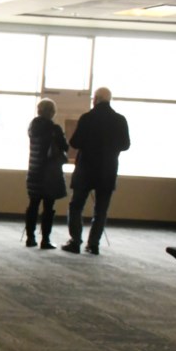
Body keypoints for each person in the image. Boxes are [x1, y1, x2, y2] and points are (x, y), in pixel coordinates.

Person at [62, 87, 130, 255]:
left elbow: (75, 143)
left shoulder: (87, 118)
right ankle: (93, 244)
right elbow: (125, 145)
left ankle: (75, 241)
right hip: (107, 170)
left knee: (76, 206)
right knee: (101, 210)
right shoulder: (120, 120)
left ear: (97, 99)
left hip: (86, 169)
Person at [24, 98, 69, 249]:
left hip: (34, 170)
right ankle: (45, 240)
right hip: (50, 173)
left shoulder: (32, 127)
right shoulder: (54, 129)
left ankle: (30, 238)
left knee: (33, 204)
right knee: (48, 207)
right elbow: (65, 147)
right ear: (52, 112)